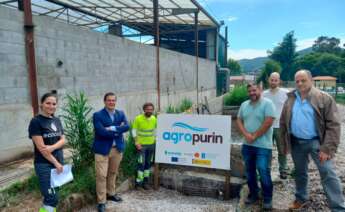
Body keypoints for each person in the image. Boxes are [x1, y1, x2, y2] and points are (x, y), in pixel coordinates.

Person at [280, 70, 345, 211]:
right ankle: (300, 198)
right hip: (296, 142)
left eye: (303, 80)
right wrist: (284, 144)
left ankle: (338, 207)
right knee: (300, 172)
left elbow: (333, 125)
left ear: (311, 80)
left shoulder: (324, 98)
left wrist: (327, 148)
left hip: (317, 143)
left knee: (327, 172)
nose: (300, 83)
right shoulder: (291, 98)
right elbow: (283, 123)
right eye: (297, 81)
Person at [237, 83, 276, 210]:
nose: (252, 93)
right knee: (249, 172)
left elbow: (268, 121)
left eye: (254, 90)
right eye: (249, 91)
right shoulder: (244, 105)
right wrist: (246, 134)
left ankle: (268, 198)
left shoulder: (267, 103)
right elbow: (239, 120)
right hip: (247, 145)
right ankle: (254, 194)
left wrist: (254, 136)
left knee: (263, 170)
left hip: (263, 146)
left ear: (260, 90)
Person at [92, 92, 129, 212]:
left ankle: (111, 193)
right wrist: (119, 129)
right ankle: (101, 201)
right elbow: (101, 132)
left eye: (113, 100)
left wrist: (112, 128)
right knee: (101, 176)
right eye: (109, 100)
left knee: (113, 172)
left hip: (117, 149)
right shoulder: (97, 115)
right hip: (102, 150)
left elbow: (127, 127)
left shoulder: (121, 113)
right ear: (105, 101)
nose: (111, 102)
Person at [28, 92, 65, 212]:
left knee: (55, 194)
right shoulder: (36, 122)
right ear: (41, 104)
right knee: (51, 196)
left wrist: (52, 147)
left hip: (58, 161)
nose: (51, 106)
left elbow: (63, 140)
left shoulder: (56, 120)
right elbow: (42, 150)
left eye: (54, 104)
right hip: (44, 164)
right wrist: (56, 163)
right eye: (48, 103)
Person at [263, 72, 289, 179]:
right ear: (268, 80)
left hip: (280, 126)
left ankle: (283, 170)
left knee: (282, 149)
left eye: (275, 80)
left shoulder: (286, 93)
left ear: (279, 81)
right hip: (267, 127)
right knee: (267, 149)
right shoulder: (264, 94)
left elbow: (289, 108)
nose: (273, 82)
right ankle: (266, 170)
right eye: (272, 80)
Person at [132, 102, 157, 190]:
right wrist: (136, 142)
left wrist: (155, 141)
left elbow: (155, 131)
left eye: (151, 109)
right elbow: (134, 131)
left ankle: (145, 183)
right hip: (141, 146)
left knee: (148, 164)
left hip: (151, 145)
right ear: (144, 110)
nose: (150, 111)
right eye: (148, 109)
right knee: (141, 164)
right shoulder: (138, 119)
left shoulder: (154, 118)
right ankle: (139, 183)